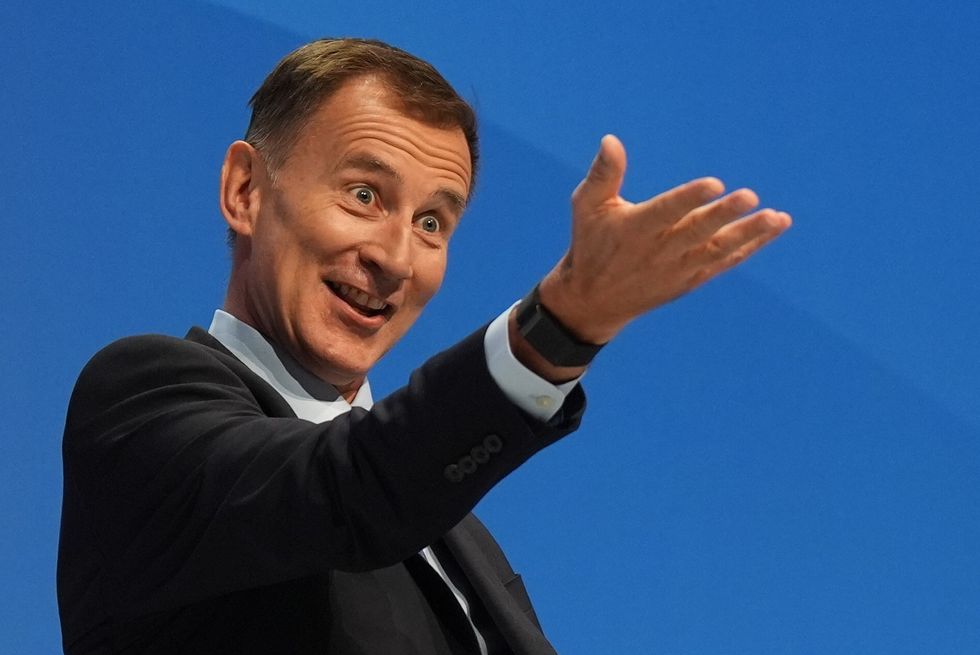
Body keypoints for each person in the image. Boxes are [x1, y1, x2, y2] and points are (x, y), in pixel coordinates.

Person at [57, 38, 791, 654]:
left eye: (434, 223)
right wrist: (561, 321)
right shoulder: (140, 404)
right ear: (245, 190)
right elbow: (349, 490)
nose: (397, 258)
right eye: (365, 195)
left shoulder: (461, 539)